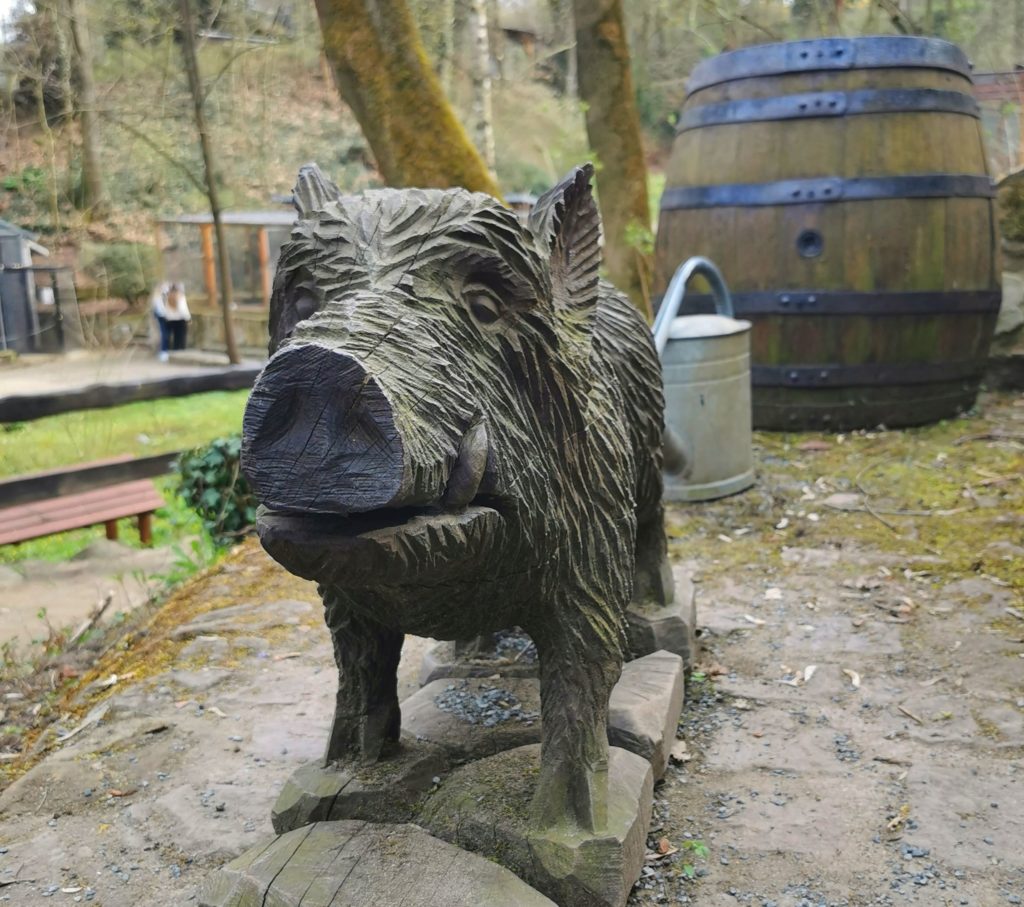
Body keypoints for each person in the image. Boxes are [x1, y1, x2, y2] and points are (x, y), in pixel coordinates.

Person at [163, 282, 191, 354]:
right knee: (180, 337)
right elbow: (183, 309)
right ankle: (180, 351)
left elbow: (165, 309)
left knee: (170, 336)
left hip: (169, 319)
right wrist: (188, 318)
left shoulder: (167, 297)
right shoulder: (180, 297)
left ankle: (170, 350)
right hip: (180, 319)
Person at [150, 281, 171, 361]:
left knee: (166, 334)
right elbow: (159, 308)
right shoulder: (158, 296)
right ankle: (163, 352)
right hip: (162, 316)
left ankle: (165, 351)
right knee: (164, 334)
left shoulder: (165, 294)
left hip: (168, 316)